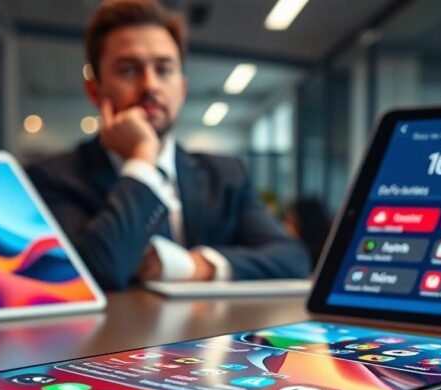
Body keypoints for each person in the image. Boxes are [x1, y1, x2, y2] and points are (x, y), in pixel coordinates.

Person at [27, 0, 310, 290]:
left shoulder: (226, 174)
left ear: (182, 89)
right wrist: (141, 161)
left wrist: (194, 266)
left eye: (164, 69)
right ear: (95, 90)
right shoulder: (55, 177)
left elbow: (293, 259)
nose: (150, 85)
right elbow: (97, 271)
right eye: (128, 70)